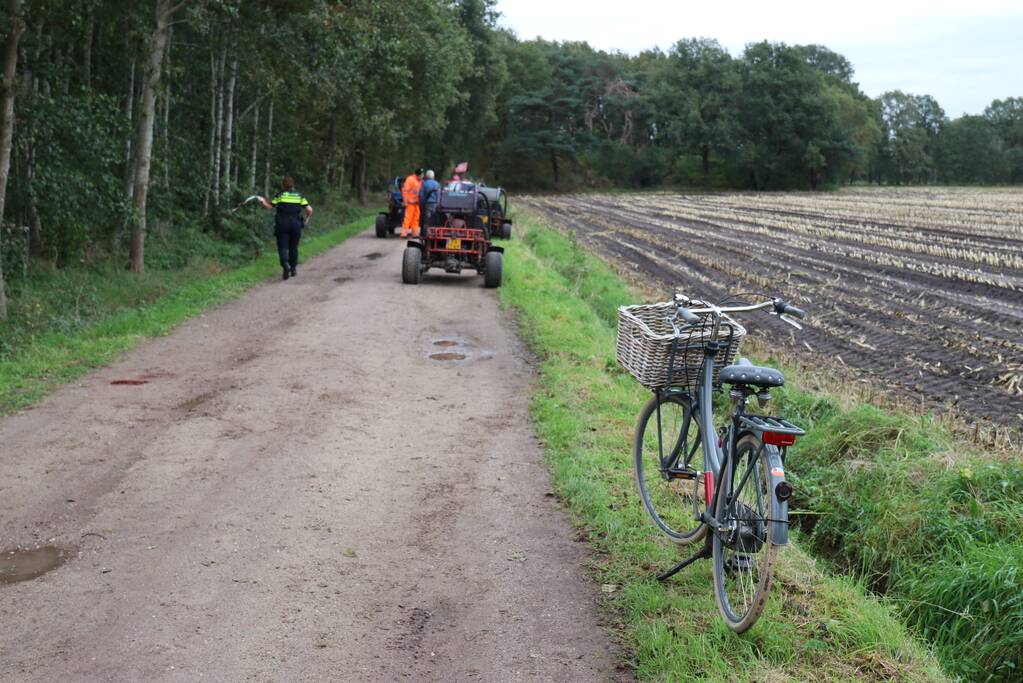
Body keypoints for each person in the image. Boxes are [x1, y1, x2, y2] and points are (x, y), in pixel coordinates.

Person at [260, 176, 312, 280]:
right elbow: (309, 209)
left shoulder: (280, 195)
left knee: (283, 247)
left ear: (283, 185)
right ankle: (293, 269)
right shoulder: (299, 196)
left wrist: (262, 201)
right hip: (296, 224)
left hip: (282, 224)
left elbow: (269, 206)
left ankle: (285, 265)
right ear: (293, 185)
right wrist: (306, 219)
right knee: (294, 247)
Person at [401, 168, 423, 238]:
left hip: (417, 203)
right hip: (410, 203)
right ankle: (404, 233)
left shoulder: (420, 181)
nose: (423, 176)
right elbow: (405, 191)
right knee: (408, 218)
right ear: (418, 175)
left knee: (416, 218)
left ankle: (415, 233)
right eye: (422, 175)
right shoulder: (410, 179)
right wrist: (405, 202)